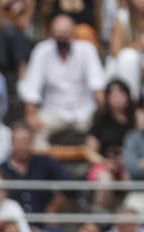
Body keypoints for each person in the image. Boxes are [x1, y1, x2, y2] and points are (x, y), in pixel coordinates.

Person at [19, 14, 106, 146]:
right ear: (51, 34)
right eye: (58, 36)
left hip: (84, 111)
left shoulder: (87, 50)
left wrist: (101, 109)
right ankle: (44, 165)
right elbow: (32, 87)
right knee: (35, 134)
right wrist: (31, 114)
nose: (61, 40)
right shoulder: (42, 51)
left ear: (73, 34)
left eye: (65, 35)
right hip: (53, 111)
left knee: (101, 132)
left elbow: (97, 83)